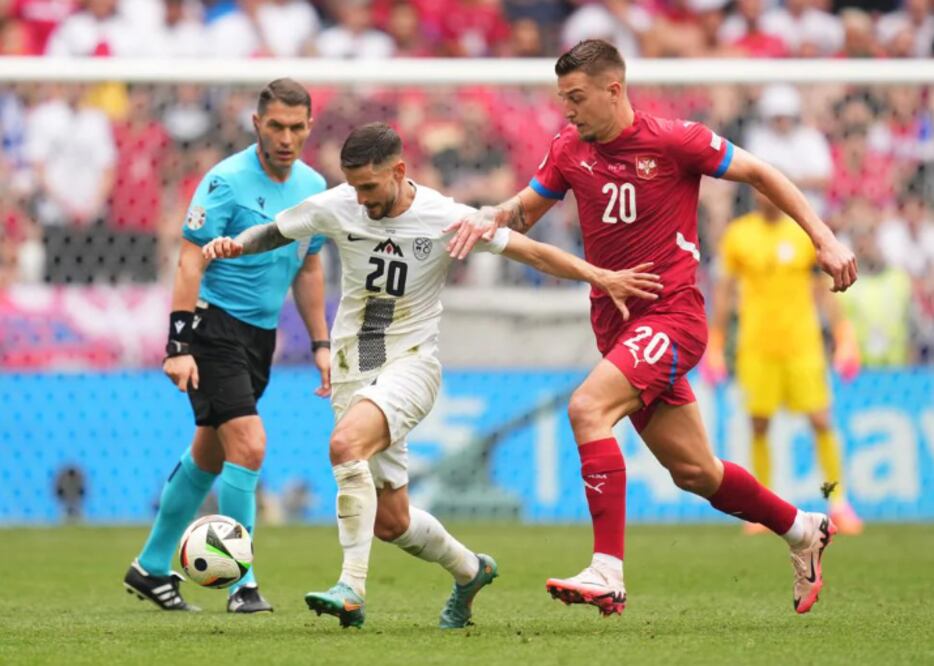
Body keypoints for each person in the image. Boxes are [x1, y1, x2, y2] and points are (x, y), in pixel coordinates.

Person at [445, 39, 858, 616]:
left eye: (576, 97)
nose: (567, 110)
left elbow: (761, 173)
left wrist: (824, 238)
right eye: (562, 98)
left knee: (588, 408)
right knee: (695, 472)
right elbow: (525, 211)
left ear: (613, 89)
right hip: (617, 327)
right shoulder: (568, 149)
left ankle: (607, 571)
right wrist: (491, 214)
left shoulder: (673, 141)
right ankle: (802, 529)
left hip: (672, 317)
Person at [203, 122, 661, 629]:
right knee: (391, 521)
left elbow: (528, 250)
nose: (361, 199)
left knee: (345, 446)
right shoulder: (340, 204)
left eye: (369, 186)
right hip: (356, 369)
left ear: (399, 171)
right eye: (354, 187)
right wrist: (236, 245)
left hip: (412, 364)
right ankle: (470, 570)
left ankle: (351, 588)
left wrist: (599, 275)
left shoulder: (444, 217)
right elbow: (279, 230)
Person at [123, 78, 330, 614]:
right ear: (257, 124)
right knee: (250, 445)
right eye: (276, 126)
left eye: (296, 127)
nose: (286, 137)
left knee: (210, 453)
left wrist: (321, 343)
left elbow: (309, 267)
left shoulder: (315, 187)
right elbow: (190, 260)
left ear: (309, 127)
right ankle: (243, 584)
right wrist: (178, 344)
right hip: (211, 326)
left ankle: (150, 567)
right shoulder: (226, 182)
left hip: (259, 336)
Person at [705, 191, 863, 535]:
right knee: (759, 425)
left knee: (820, 421)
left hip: (802, 345)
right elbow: (725, 292)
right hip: (756, 347)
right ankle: (764, 510)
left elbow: (823, 291)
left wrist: (843, 336)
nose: (767, 195)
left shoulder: (802, 235)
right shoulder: (739, 236)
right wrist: (715, 344)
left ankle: (836, 500)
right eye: (760, 188)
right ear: (754, 194)